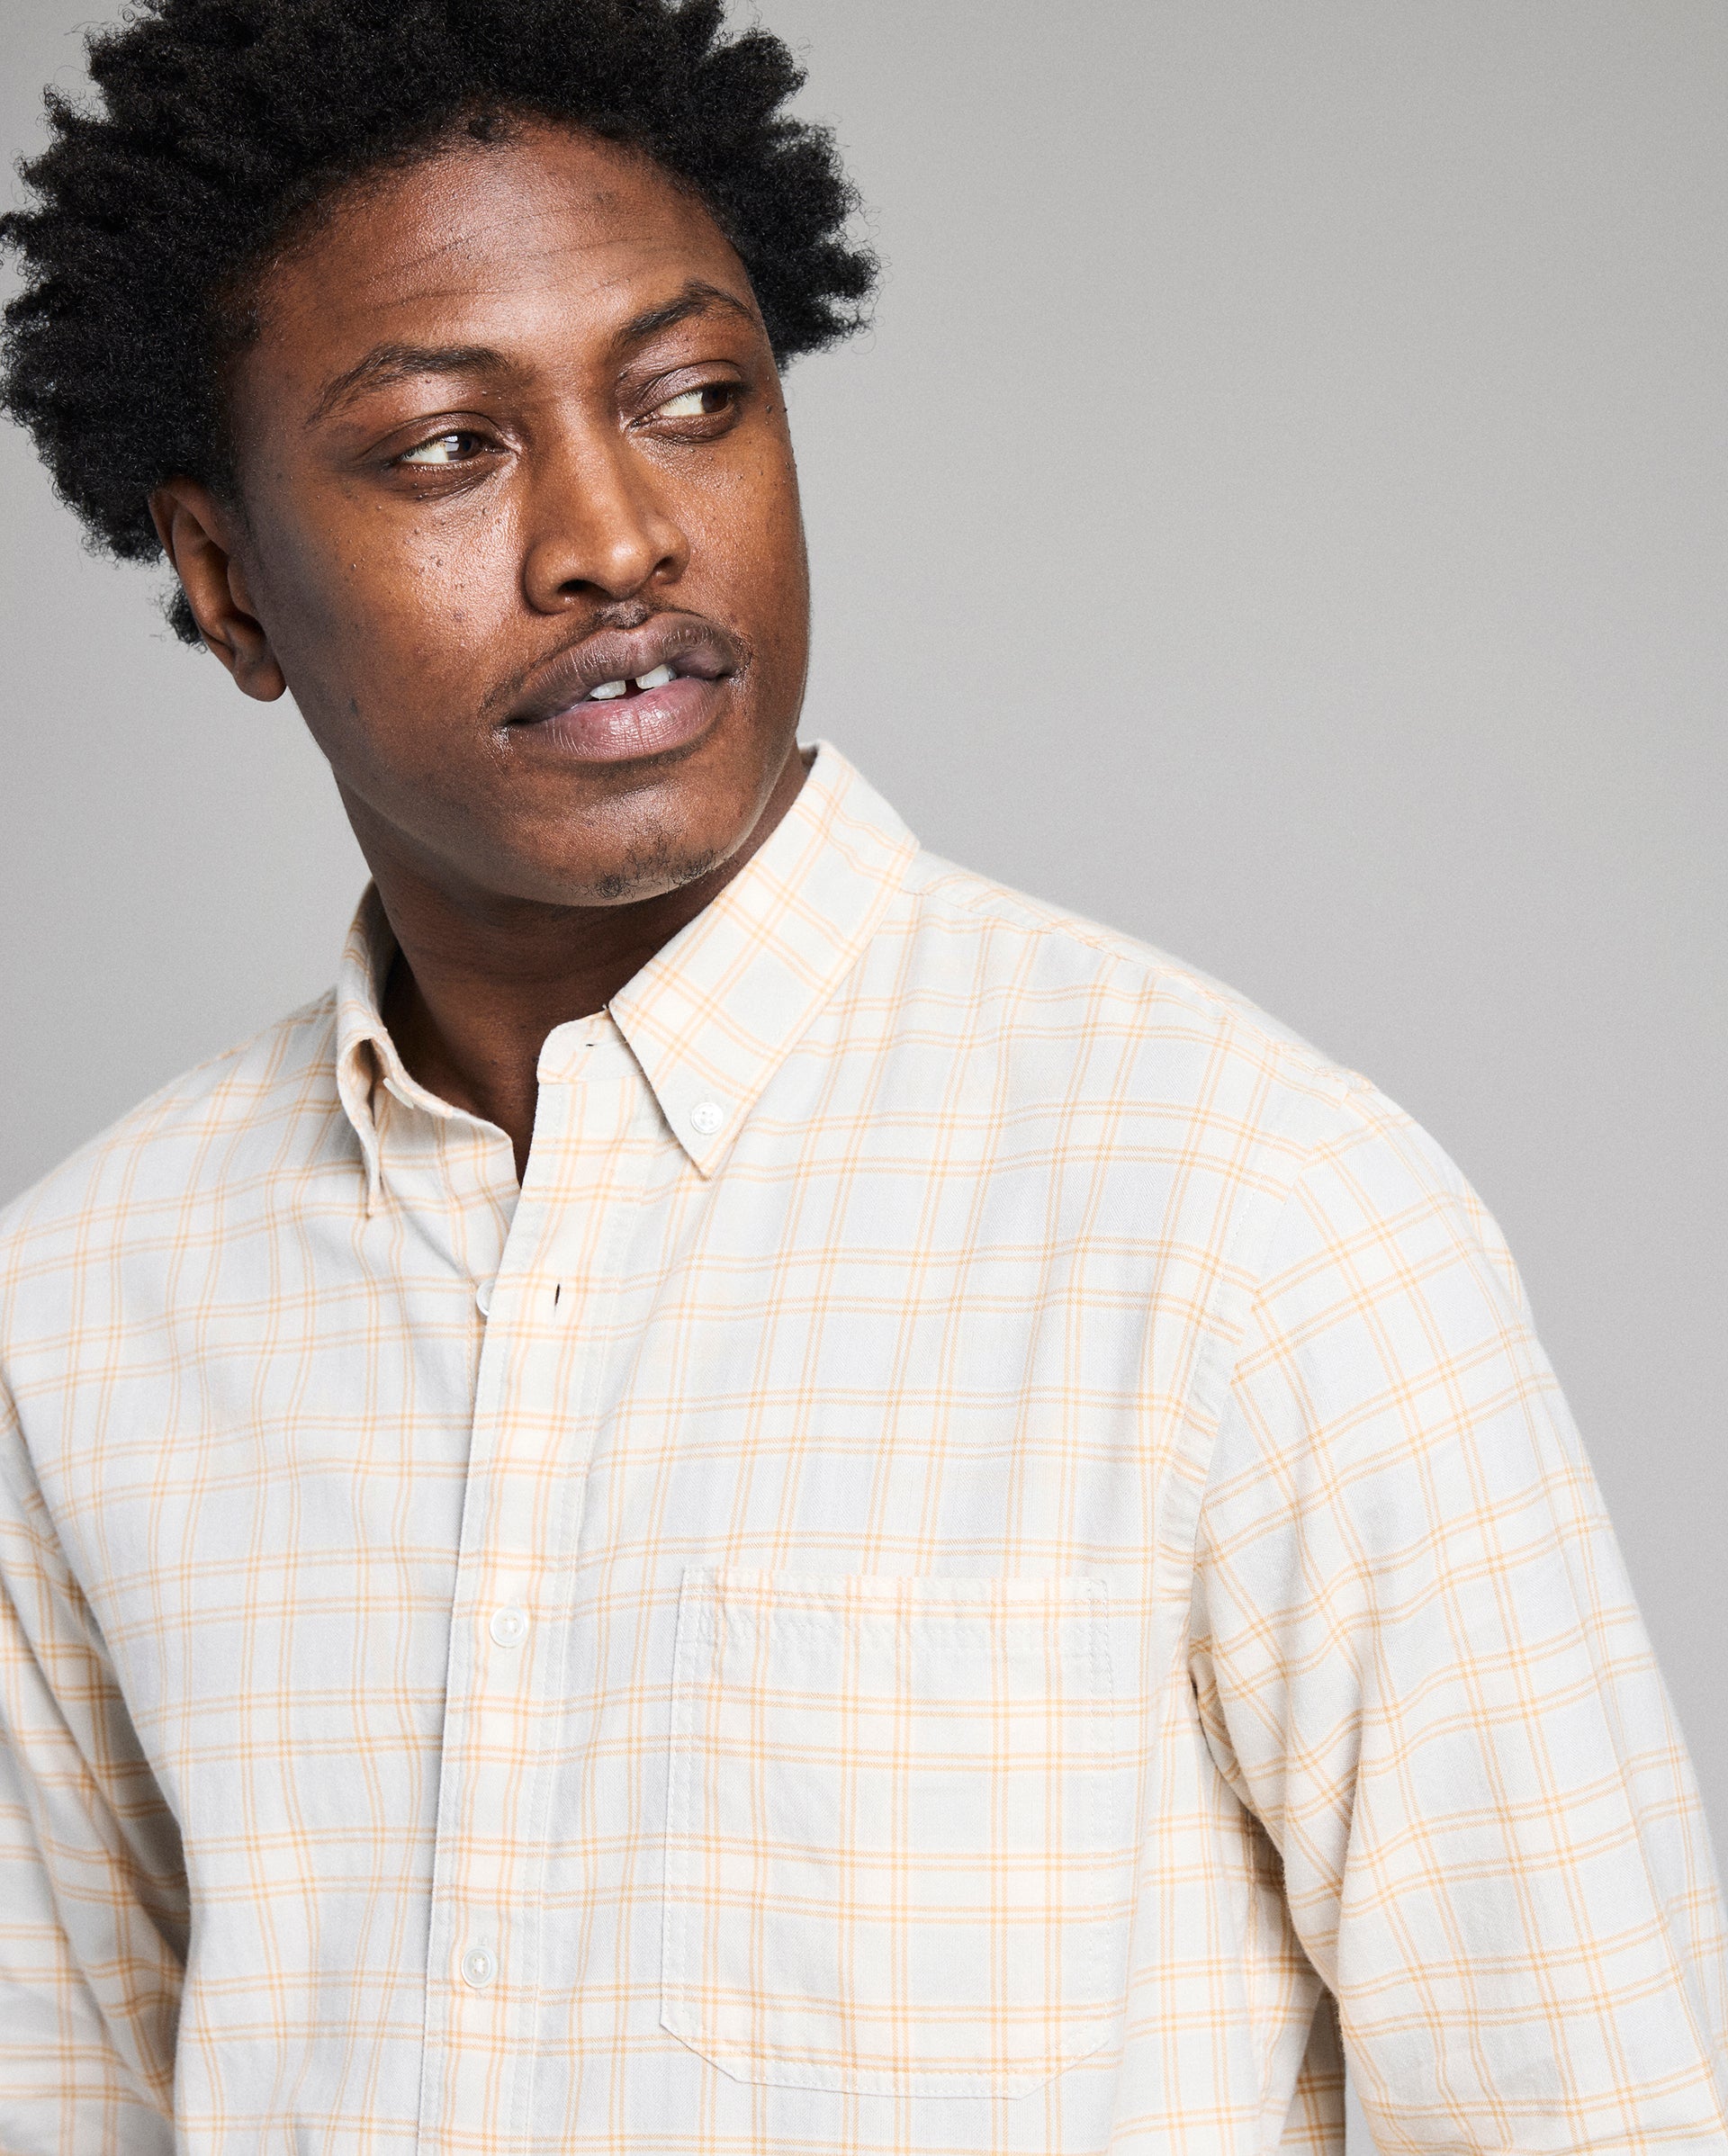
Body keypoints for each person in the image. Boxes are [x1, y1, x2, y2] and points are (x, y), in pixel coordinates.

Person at [1, 1, 1723, 2149]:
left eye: (696, 399)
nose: (616, 538)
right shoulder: (80, 1317)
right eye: (450, 444)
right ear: (227, 575)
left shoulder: (1254, 1231)